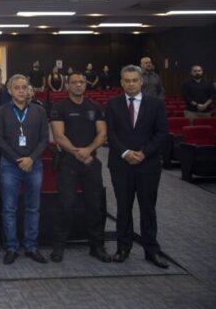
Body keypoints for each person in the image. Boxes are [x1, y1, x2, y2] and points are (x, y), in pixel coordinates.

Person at [105, 65, 169, 269]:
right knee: (123, 208)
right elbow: (110, 133)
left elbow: (161, 133)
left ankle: (151, 250)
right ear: (121, 83)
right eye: (127, 80)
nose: (131, 84)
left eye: (134, 80)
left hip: (147, 165)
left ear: (141, 81)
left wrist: (143, 153)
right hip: (121, 164)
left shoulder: (156, 104)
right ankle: (123, 248)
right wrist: (125, 153)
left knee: (148, 208)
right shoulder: (113, 104)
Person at [49, 72, 111, 263]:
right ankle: (58, 246)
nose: (78, 85)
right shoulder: (59, 107)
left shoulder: (95, 106)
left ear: (85, 85)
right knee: (65, 205)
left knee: (95, 205)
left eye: (81, 82)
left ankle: (97, 246)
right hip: (68, 162)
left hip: (91, 161)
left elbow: (102, 134)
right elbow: (59, 136)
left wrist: (88, 151)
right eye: (74, 82)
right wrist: (78, 153)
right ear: (67, 86)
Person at [0, 74, 49, 265]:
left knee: (33, 207)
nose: (21, 91)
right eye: (17, 87)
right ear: (9, 91)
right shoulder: (1, 111)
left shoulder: (39, 111)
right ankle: (11, 247)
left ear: (29, 90)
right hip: (10, 165)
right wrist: (18, 160)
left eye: (24, 87)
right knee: (9, 208)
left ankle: (31, 246)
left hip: (34, 164)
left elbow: (44, 138)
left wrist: (31, 158)